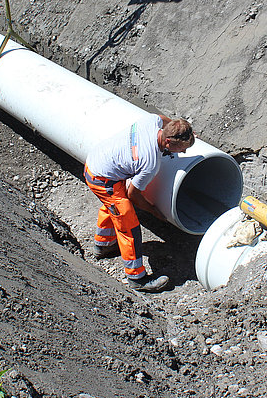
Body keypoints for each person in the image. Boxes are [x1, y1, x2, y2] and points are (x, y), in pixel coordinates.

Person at [83, 113, 195, 292]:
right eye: (181, 149)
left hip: (99, 161)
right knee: (129, 224)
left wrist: (185, 132)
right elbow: (133, 194)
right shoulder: (150, 161)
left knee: (114, 207)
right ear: (168, 143)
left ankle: (103, 245)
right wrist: (154, 211)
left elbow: (161, 117)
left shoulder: (151, 122)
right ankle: (137, 279)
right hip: (102, 178)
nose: (183, 153)